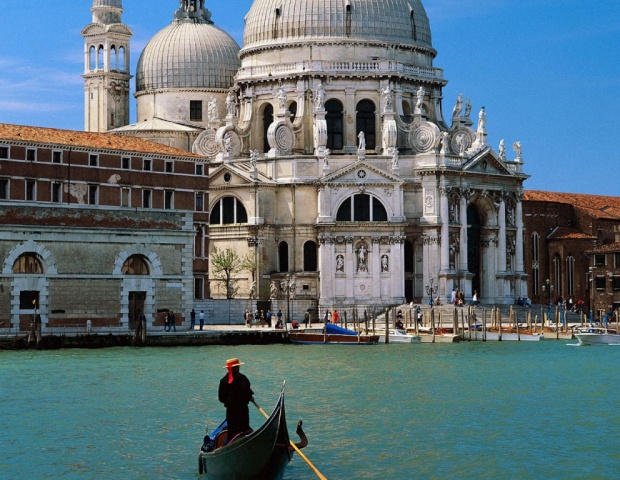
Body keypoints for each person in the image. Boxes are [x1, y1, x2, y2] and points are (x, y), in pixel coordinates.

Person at [218, 358, 254, 444]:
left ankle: (231, 444)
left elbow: (221, 398)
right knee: (244, 430)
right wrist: (250, 398)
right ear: (238, 367)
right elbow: (247, 392)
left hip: (230, 411)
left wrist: (229, 402)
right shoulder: (242, 378)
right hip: (242, 410)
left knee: (232, 431)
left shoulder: (223, 381)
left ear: (228, 368)